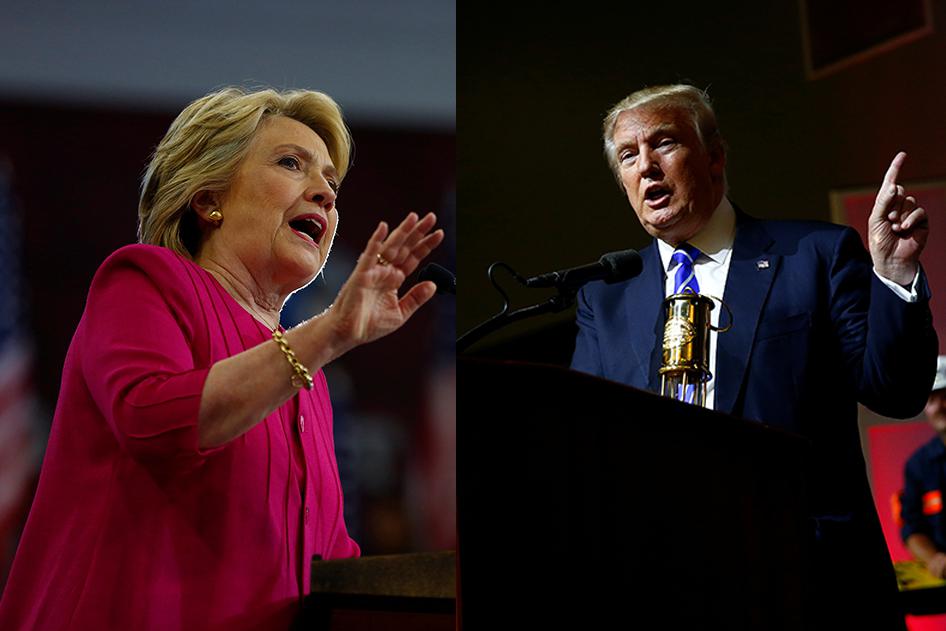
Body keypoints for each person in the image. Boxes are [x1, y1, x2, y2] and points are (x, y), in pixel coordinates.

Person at [0, 87, 444, 630]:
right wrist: (328, 333)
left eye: (331, 183)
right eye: (291, 164)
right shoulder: (144, 281)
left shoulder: (308, 379)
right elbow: (156, 422)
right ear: (209, 198)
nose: (325, 195)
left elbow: (328, 564)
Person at [570, 84, 937, 628]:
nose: (645, 166)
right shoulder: (604, 297)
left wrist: (894, 273)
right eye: (628, 155)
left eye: (664, 143)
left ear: (715, 156)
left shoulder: (813, 256)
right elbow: (584, 449)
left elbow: (896, 391)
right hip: (663, 588)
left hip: (807, 580)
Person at [902, 356, 946, 578]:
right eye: (931, 399)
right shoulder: (918, 466)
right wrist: (934, 559)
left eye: (945, 396)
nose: (939, 406)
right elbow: (912, 528)